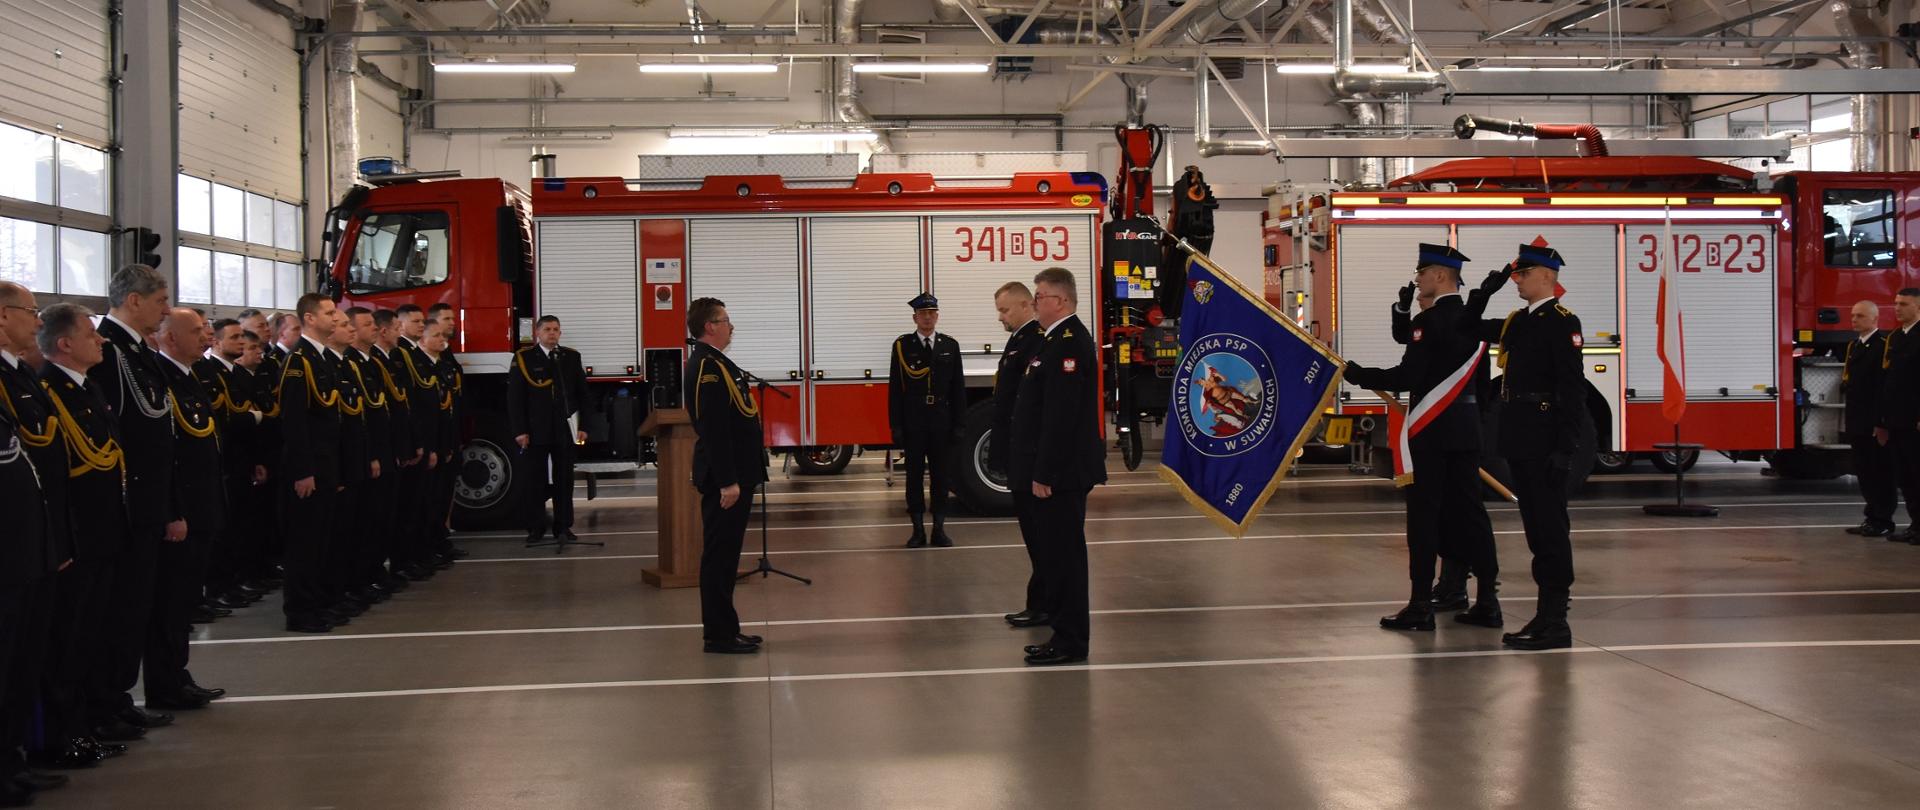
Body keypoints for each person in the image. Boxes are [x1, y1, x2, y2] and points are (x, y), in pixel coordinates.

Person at [1344, 245, 1503, 632]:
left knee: (1425, 516)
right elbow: (1481, 386)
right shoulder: (1472, 321)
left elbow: (1409, 375)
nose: (1417, 279)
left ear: (1441, 276)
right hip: (1465, 431)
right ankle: (1486, 599)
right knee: (1470, 515)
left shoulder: (1431, 322)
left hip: (1432, 433)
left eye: (1422, 273)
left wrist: (1359, 374)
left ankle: (1420, 605)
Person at [1459, 244, 1588, 650]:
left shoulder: (1561, 322)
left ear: (1548, 277)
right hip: (1519, 436)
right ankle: (1545, 617)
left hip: (1545, 437)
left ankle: (1555, 620)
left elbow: (1572, 390)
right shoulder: (1519, 321)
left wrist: (1566, 448)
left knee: (1550, 530)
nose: (1517, 280)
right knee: (1536, 529)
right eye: (1515, 275)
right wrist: (1483, 293)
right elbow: (1467, 327)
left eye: (1523, 274)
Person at [31, 304, 130, 768]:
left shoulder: (85, 389)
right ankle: (62, 736)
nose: (101, 340)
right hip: (79, 536)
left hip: (104, 531)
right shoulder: (50, 391)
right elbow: (56, 478)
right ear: (65, 344)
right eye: (91, 334)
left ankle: (86, 721)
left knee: (94, 633)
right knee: (67, 641)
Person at [87, 264, 181, 740]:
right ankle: (106, 700)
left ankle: (119, 696)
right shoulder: (109, 351)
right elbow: (116, 430)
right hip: (128, 502)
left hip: (148, 500)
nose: (166, 309)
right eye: (161, 300)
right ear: (134, 301)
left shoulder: (137, 351)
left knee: (136, 607)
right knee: (120, 610)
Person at [1009, 267, 1107, 666]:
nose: (1035, 302)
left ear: (1061, 301)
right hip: (1056, 471)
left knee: (1065, 558)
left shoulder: (1068, 343)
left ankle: (1070, 641)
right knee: (1055, 556)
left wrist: (1044, 474)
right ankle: (1062, 633)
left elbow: (1060, 418)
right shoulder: (1052, 341)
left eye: (1040, 296)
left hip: (1062, 475)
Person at [0, 283, 73, 795]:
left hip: (29, 542)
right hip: (8, 545)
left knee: (23, 660)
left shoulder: (19, 373)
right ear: (4, 316)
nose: (37, 320)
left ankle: (13, 758)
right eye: (30, 311)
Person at [146, 309, 225, 710]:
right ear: (170, 339)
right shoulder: (161, 379)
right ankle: (165, 682)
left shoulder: (189, 376)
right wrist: (173, 510)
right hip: (185, 510)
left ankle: (177, 674)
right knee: (170, 603)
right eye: (195, 331)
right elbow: (167, 456)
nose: (205, 336)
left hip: (202, 505)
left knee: (183, 602)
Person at [683, 297, 768, 655]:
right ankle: (717, 635)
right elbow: (714, 430)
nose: (731, 326)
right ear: (710, 326)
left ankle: (728, 627)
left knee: (728, 556)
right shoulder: (706, 367)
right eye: (726, 320)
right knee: (719, 557)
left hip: (740, 472)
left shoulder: (718, 363)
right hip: (727, 478)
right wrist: (728, 481)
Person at [278, 294, 346, 633]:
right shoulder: (298, 362)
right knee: (304, 542)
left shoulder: (321, 360)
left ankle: (318, 602)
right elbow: (294, 422)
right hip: (309, 469)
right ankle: (300, 610)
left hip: (326, 464)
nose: (336, 318)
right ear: (309, 318)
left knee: (322, 539)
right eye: (329, 313)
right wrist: (302, 471)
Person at [991, 282, 1052, 629]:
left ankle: (1043, 604)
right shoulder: (1020, 340)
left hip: (1029, 457)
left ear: (1027, 305)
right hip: (1018, 455)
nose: (1000, 317)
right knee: (1034, 536)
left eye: (1005, 310)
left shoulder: (1035, 340)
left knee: (1040, 536)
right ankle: (1039, 602)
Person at [196, 319, 267, 614]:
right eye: (234, 337)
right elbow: (220, 418)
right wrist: (254, 418)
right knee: (222, 530)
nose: (241, 342)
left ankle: (234, 580)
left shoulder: (236, 372)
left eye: (242, 336)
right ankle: (217, 587)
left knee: (241, 524)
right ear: (216, 343)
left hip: (242, 459)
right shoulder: (207, 372)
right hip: (224, 459)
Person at [887, 293, 967, 548]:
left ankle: (939, 530)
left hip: (941, 420)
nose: (928, 318)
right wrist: (896, 425)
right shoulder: (902, 345)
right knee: (913, 477)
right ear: (915, 317)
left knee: (941, 476)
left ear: (937, 316)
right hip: (914, 420)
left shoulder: (949, 345)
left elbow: (958, 389)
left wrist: (959, 424)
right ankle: (917, 530)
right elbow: (895, 389)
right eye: (923, 314)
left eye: (932, 313)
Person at [508, 315, 593, 545]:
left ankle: (563, 526)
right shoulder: (524, 358)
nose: (552, 333)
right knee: (534, 480)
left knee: (564, 479)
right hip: (535, 430)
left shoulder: (570, 357)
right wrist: (520, 430)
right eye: (547, 329)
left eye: (556, 329)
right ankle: (535, 528)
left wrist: (584, 426)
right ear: (538, 333)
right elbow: (515, 399)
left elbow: (582, 394)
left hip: (564, 429)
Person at [1842, 301, 1895, 538]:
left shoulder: (1882, 346)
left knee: (1879, 472)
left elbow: (1883, 388)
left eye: (1860, 316)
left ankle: (1883, 519)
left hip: (1873, 422)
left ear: (1874, 319)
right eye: (1853, 315)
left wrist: (1881, 422)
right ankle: (1871, 517)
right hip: (1857, 420)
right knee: (1864, 471)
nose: (1854, 320)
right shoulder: (1854, 345)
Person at [1876, 288, 1920, 545]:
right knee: (1905, 476)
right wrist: (1882, 421)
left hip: (1914, 419)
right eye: (1895, 303)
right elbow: (1888, 382)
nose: (1897, 308)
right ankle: (1915, 524)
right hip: (1897, 419)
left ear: (1917, 307)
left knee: (1917, 472)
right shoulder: (1896, 337)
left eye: (1903, 304)